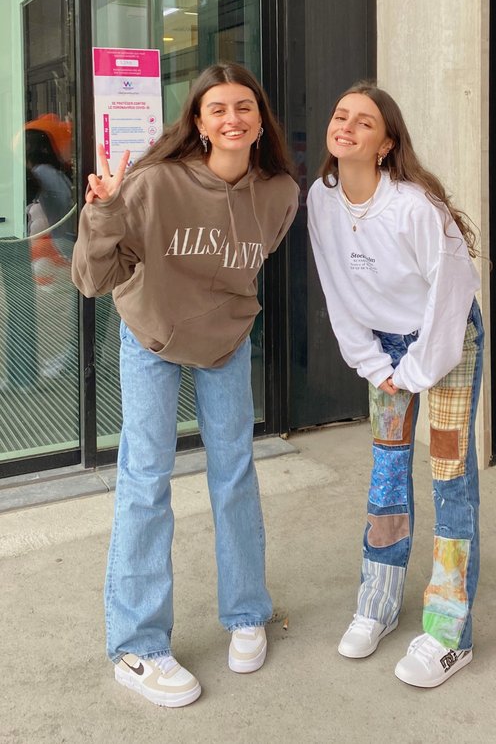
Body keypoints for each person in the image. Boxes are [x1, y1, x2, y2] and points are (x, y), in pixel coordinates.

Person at [72, 62, 298, 708]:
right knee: (145, 479)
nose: (233, 118)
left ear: (260, 122)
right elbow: (92, 281)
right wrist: (105, 211)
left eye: (244, 108)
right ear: (197, 123)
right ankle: (137, 645)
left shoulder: (280, 191)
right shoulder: (154, 183)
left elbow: (253, 260)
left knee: (235, 472)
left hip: (226, 338)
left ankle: (247, 610)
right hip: (151, 336)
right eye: (218, 108)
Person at [307, 82, 483, 689]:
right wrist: (371, 362)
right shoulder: (321, 198)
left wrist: (413, 371)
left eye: (364, 121)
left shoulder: (413, 206)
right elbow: (337, 288)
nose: (347, 126)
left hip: (447, 342)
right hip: (383, 347)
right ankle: (378, 602)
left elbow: (451, 296)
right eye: (340, 115)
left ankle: (447, 632)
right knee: (386, 472)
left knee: (449, 477)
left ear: (385, 144)